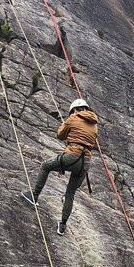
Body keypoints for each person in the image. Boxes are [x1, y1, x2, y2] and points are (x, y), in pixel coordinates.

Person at [21, 98, 98, 235]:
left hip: (72, 156)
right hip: (85, 162)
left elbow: (60, 135)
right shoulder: (94, 125)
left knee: (45, 166)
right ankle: (62, 225)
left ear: (74, 110)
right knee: (70, 193)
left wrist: (66, 125)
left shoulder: (73, 118)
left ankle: (34, 196)